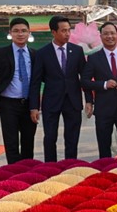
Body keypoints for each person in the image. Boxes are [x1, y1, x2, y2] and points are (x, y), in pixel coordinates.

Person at [29, 15, 87, 161]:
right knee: (50, 137)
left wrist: (89, 100)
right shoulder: (42, 53)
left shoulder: (77, 51)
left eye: (68, 30)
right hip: (51, 101)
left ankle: (70, 164)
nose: (67, 34)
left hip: (73, 101)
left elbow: (84, 78)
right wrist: (34, 107)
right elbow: (35, 81)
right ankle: (50, 167)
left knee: (72, 138)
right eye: (63, 31)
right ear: (53, 32)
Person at [0, 18, 38, 164]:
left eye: (24, 31)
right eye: (16, 31)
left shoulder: (35, 54)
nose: (20, 34)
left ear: (29, 33)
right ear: (10, 33)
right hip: (8, 103)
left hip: (29, 104)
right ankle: (12, 172)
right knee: (11, 141)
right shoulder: (1, 53)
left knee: (28, 141)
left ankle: (27, 171)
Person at [82, 22, 117, 160]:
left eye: (112, 33)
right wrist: (104, 84)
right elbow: (85, 81)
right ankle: (105, 171)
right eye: (106, 33)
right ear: (101, 36)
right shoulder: (93, 58)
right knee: (104, 144)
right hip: (103, 108)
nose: (109, 36)